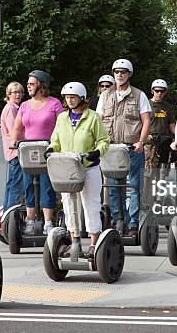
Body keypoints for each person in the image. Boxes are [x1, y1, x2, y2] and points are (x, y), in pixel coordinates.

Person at [45, 82, 110, 258]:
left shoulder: (93, 117)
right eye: (67, 97)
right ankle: (75, 241)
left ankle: (94, 243)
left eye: (73, 97)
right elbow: (56, 140)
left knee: (91, 204)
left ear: (82, 98)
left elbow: (104, 140)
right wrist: (51, 149)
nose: (70, 100)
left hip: (89, 167)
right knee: (69, 205)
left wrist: (96, 152)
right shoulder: (62, 118)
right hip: (68, 169)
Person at [96, 59, 152, 237]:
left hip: (132, 148)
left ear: (129, 74)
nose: (119, 75)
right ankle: (119, 219)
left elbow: (146, 120)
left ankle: (134, 223)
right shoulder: (105, 96)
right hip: (111, 148)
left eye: (123, 72)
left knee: (134, 186)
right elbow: (98, 120)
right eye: (117, 72)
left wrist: (141, 142)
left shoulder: (139, 95)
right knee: (113, 187)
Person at [11, 70, 64, 235]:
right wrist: (14, 142)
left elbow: (62, 126)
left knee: (46, 185)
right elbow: (17, 127)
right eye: (28, 84)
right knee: (28, 184)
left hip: (47, 150)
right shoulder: (25, 105)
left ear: (41, 85)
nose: (28, 87)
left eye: (31, 84)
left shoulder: (54, 104)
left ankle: (48, 222)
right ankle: (30, 220)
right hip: (28, 151)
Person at [143, 79, 176, 204]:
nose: (159, 94)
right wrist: (147, 137)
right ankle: (147, 200)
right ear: (152, 91)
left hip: (164, 143)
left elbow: (172, 124)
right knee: (149, 173)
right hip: (150, 144)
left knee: (163, 173)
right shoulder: (146, 105)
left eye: (162, 91)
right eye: (156, 91)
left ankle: (159, 199)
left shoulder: (167, 107)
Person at [0, 81, 25, 211]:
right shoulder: (11, 109)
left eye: (20, 92)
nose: (18, 95)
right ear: (8, 94)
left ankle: (7, 215)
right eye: (15, 92)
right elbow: (13, 131)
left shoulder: (15, 108)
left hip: (13, 153)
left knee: (11, 185)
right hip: (15, 152)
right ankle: (10, 216)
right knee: (16, 185)